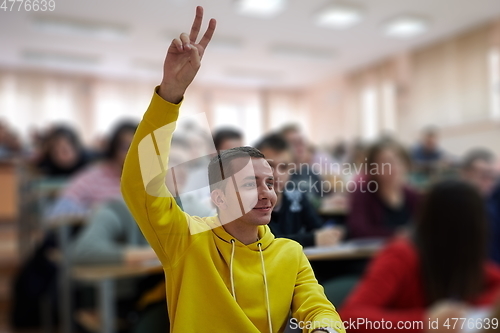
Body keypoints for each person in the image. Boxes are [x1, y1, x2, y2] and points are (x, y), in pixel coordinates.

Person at [121, 7, 344, 333]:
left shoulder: (290, 253)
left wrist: (325, 329)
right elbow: (139, 185)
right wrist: (170, 94)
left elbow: (319, 309)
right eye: (251, 183)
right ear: (219, 196)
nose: (268, 192)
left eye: (270, 182)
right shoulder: (185, 241)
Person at [340, 180, 500, 333]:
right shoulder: (401, 255)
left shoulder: (467, 262)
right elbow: (349, 318)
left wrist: (464, 311)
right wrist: (425, 322)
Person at [69, 199, 168, 333]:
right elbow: (83, 250)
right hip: (129, 301)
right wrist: (154, 253)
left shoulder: (188, 207)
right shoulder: (118, 211)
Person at [255, 133, 343, 247]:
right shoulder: (251, 203)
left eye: (284, 167)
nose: (277, 174)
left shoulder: (297, 196)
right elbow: (268, 242)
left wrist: (334, 234)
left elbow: (320, 230)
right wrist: (312, 239)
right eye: (269, 165)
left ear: (292, 168)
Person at [46, 120, 137, 221]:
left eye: (138, 147)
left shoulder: (148, 178)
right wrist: (92, 213)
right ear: (113, 150)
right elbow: (59, 209)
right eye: (126, 147)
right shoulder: (95, 176)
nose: (133, 153)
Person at [347, 139, 420, 239]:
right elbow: (358, 231)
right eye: (385, 163)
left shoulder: (413, 196)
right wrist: (396, 235)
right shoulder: (363, 194)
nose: (393, 168)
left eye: (397, 162)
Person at [461, 149, 500, 265]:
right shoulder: (450, 204)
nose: (488, 182)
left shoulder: (493, 204)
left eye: (492, 177)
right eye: (482, 175)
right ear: (465, 174)